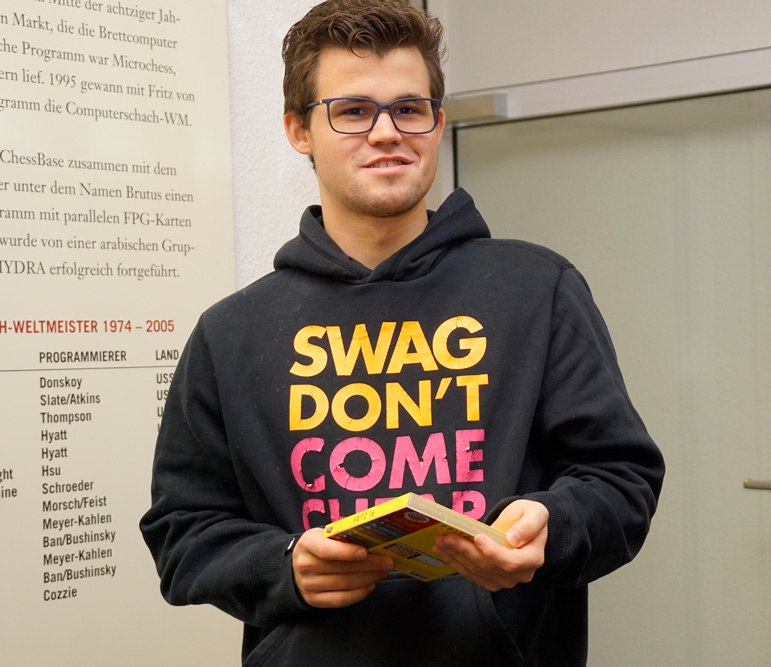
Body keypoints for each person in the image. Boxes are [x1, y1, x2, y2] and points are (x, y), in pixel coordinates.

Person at [139, 1, 664, 665]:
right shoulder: (230, 333)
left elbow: (622, 481)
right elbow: (182, 532)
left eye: (409, 108)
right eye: (353, 111)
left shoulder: (540, 290)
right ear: (299, 129)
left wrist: (551, 526)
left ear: (437, 123)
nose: (387, 132)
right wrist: (284, 566)